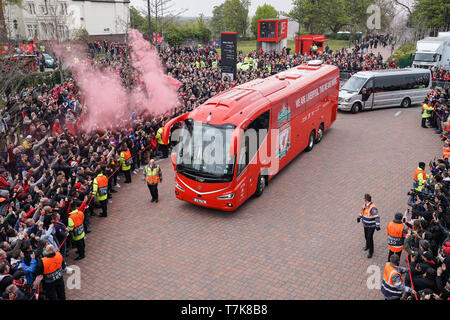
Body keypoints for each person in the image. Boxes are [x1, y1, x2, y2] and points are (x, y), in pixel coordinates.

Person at [357, 194, 380, 258]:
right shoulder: (364, 205)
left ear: (366, 200)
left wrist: (377, 225)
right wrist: (359, 217)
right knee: (366, 236)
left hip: (371, 225)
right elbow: (362, 212)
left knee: (370, 238)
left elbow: (377, 217)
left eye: (364, 199)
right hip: (366, 224)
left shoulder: (373, 208)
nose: (363, 200)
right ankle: (367, 246)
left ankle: (371, 251)